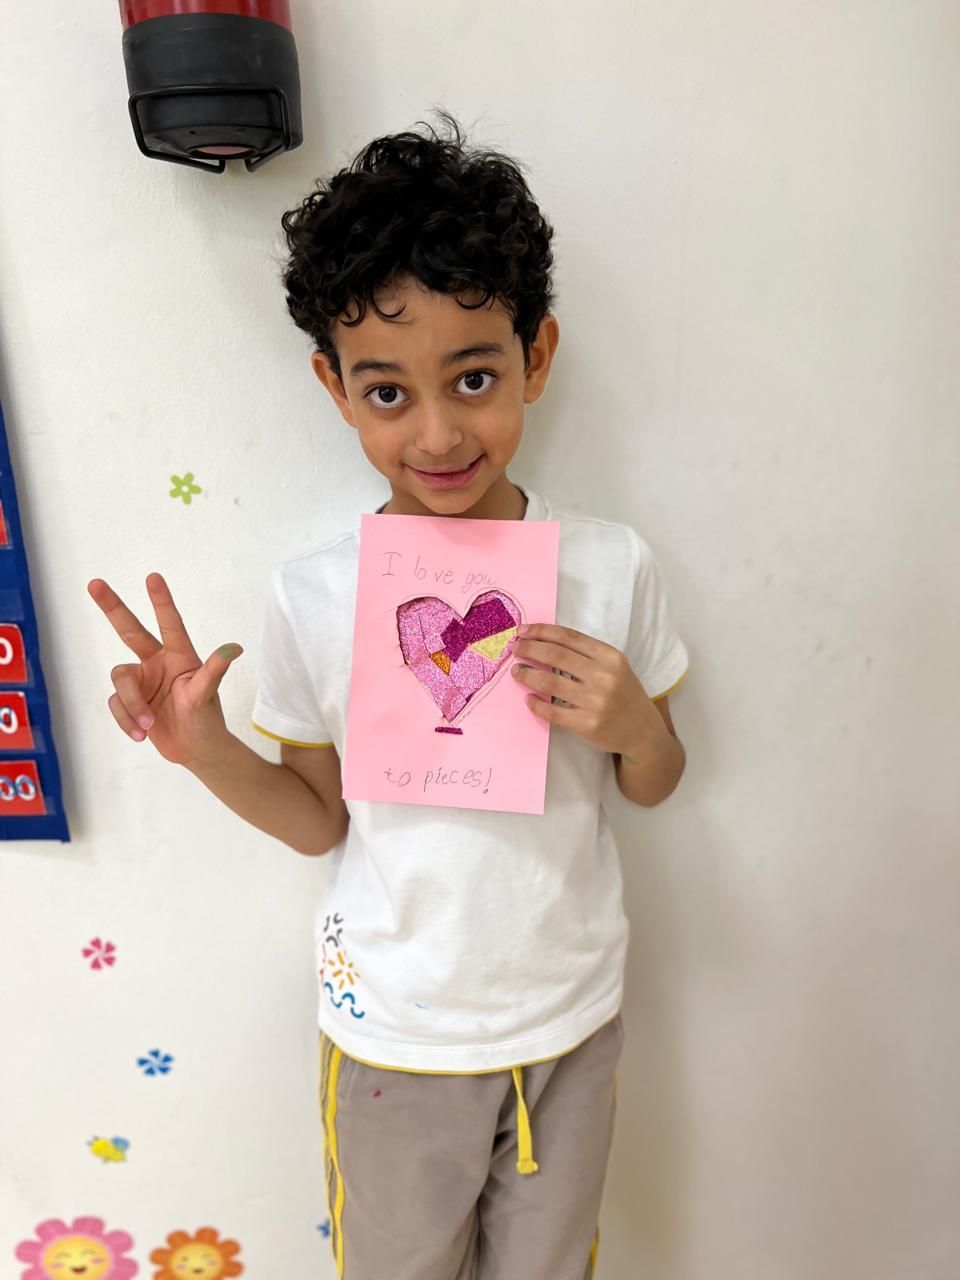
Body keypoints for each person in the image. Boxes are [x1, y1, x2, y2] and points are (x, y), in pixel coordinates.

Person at [88, 110, 690, 1280]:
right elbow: (319, 815)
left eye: (475, 375)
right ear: (334, 386)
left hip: (570, 1016)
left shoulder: (610, 564)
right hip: (396, 1035)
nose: (441, 430)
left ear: (537, 357)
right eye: (387, 392)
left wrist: (637, 726)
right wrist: (203, 745)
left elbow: (658, 781)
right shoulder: (317, 594)